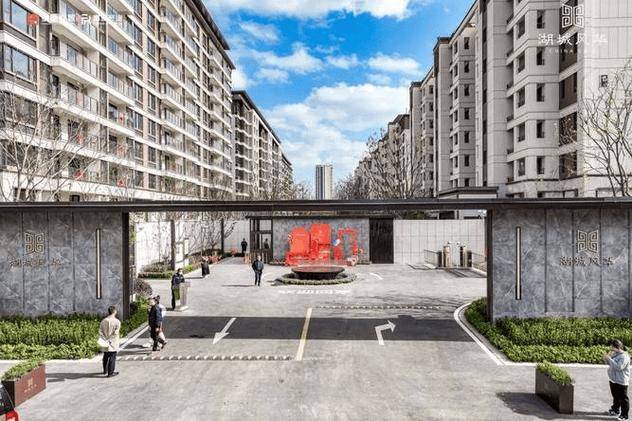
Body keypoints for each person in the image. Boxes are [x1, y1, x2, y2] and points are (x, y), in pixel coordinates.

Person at [605, 339, 630, 420]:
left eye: (612, 346)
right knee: (616, 397)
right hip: (613, 379)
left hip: (621, 381)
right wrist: (606, 358)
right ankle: (615, 410)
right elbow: (610, 364)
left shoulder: (624, 356)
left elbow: (619, 367)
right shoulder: (615, 354)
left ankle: (624, 415)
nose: (611, 348)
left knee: (623, 399)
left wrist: (610, 359)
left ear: (616, 347)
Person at [99, 306, 121, 378]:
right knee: (112, 356)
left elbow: (100, 331)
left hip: (104, 340)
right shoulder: (117, 321)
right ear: (114, 311)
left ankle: (105, 370)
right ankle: (110, 372)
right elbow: (116, 333)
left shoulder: (103, 321)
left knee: (105, 355)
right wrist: (110, 339)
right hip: (113, 341)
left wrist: (105, 338)